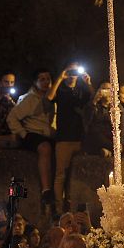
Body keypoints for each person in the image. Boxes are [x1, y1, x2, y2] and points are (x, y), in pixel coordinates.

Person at [48, 62, 94, 214]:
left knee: (75, 174)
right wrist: (60, 78)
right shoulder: (61, 90)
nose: (74, 73)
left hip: (79, 137)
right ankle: (59, 207)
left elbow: (93, 100)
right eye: (71, 70)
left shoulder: (82, 90)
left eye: (76, 70)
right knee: (60, 174)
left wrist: (88, 83)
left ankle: (72, 205)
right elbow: (49, 97)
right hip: (63, 138)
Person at [7, 68, 56, 211]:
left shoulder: (52, 98)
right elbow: (12, 118)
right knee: (45, 148)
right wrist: (23, 134)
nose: (46, 82)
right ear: (35, 82)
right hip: (33, 133)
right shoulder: (29, 99)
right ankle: (46, 190)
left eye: (48, 79)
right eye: (42, 79)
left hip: (48, 133)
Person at [82, 83, 115, 157]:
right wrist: (95, 100)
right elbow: (87, 121)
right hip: (97, 137)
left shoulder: (115, 106)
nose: (107, 92)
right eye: (104, 89)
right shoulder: (94, 105)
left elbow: (121, 125)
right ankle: (113, 149)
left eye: (109, 89)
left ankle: (109, 151)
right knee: (95, 134)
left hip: (110, 136)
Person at [0, 70, 18, 148]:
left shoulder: (16, 98)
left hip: (10, 134)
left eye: (12, 82)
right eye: (6, 82)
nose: (9, 85)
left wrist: (10, 101)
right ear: (0, 83)